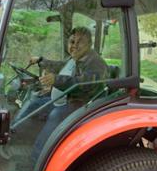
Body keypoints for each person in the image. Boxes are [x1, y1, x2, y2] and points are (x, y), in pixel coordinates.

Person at [22, 26, 108, 163]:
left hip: (81, 105)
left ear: (89, 44)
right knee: (34, 102)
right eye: (72, 41)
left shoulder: (95, 63)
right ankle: (14, 138)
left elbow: (85, 84)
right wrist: (40, 61)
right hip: (61, 100)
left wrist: (56, 80)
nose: (74, 45)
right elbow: (58, 65)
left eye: (80, 42)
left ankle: (36, 160)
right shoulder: (74, 58)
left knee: (55, 115)